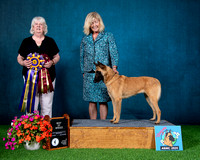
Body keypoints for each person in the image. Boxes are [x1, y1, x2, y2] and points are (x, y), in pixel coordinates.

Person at [17, 16, 60, 118]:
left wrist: (52, 62)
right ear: (32, 27)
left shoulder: (50, 41)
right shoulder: (26, 41)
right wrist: (23, 63)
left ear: (44, 27)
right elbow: (19, 58)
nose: (38, 26)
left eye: (41, 24)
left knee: (47, 105)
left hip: (48, 78)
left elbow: (57, 56)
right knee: (31, 105)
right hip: (30, 78)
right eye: (36, 24)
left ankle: (46, 130)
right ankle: (32, 130)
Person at [80, 12, 119, 120]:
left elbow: (114, 52)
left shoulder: (108, 36)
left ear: (100, 22)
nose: (94, 25)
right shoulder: (85, 39)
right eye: (91, 23)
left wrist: (114, 67)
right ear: (88, 25)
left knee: (102, 100)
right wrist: (83, 71)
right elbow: (82, 56)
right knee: (91, 101)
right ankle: (92, 125)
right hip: (89, 73)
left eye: (96, 22)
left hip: (104, 73)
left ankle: (102, 125)